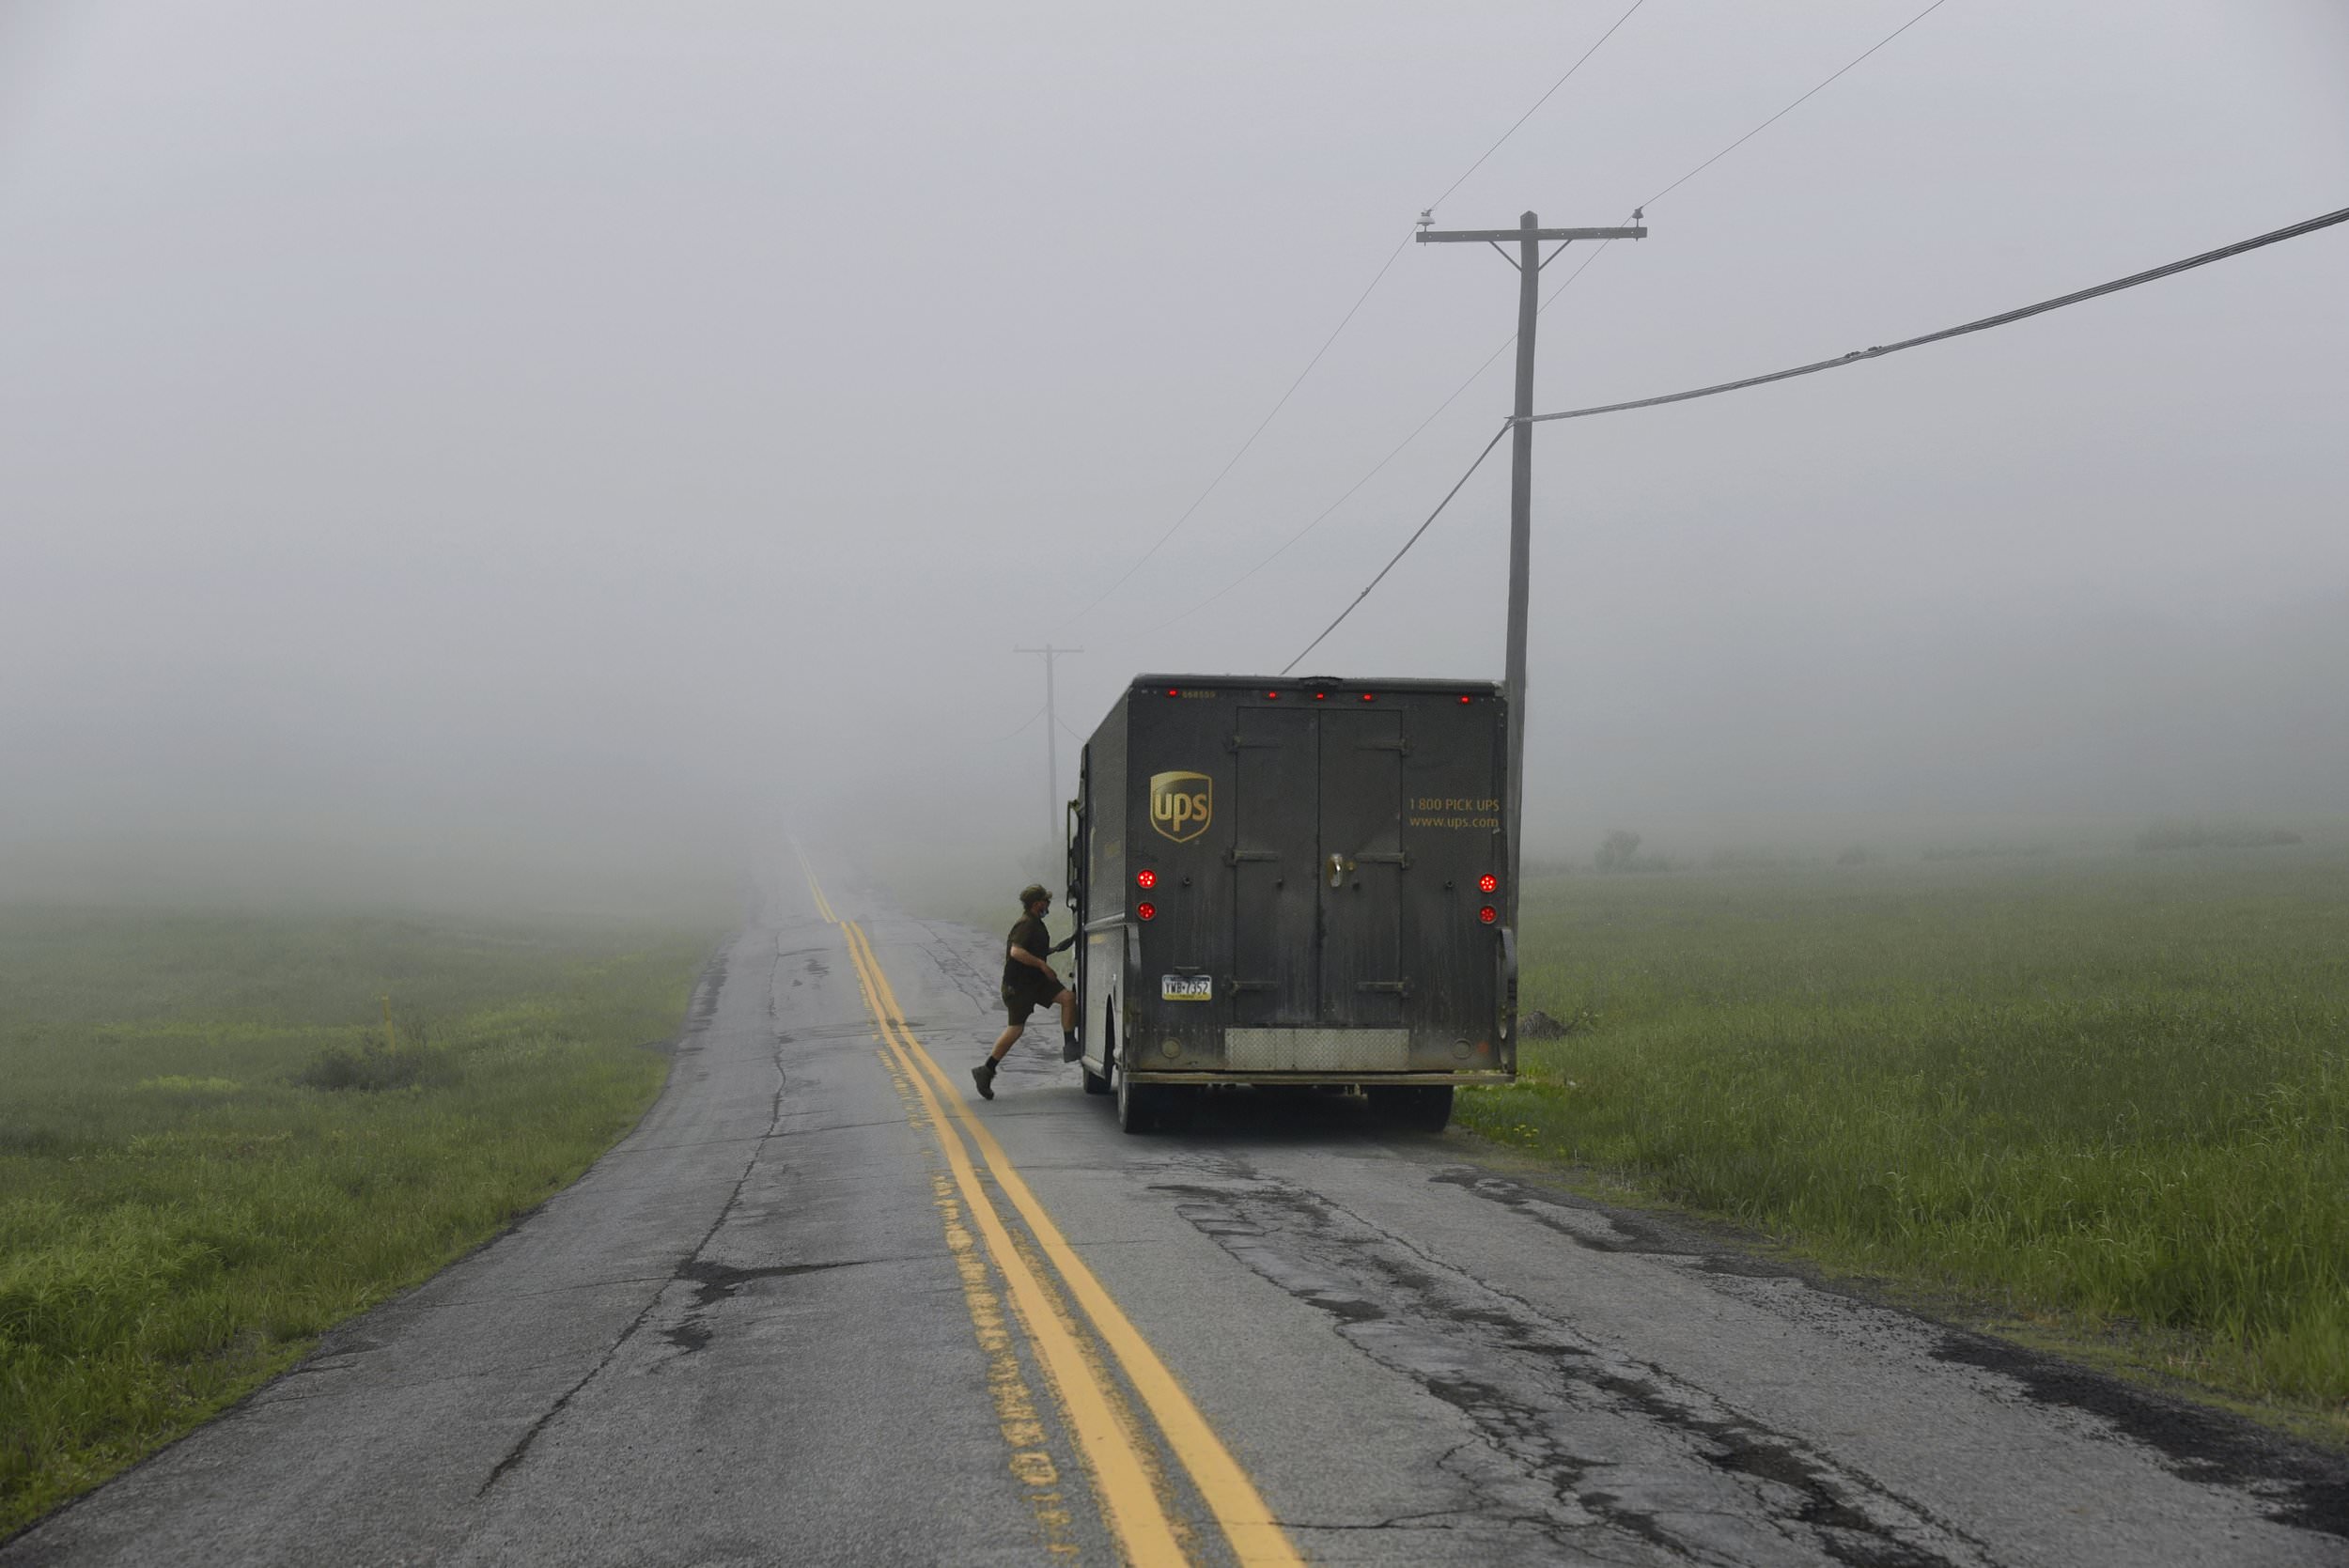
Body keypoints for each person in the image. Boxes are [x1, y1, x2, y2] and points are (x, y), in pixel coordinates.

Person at [972, 882, 1075, 1100]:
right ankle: (986, 1070)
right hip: (1018, 985)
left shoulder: (1036, 923)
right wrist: (1043, 965)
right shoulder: (1026, 924)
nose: (1048, 905)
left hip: (1036, 982)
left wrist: (1055, 949)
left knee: (1068, 998)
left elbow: (1032, 949)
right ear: (1037, 904)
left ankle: (1070, 1044)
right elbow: (1016, 952)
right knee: (1016, 1029)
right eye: (1046, 901)